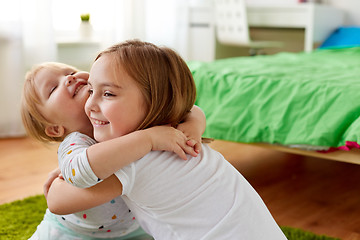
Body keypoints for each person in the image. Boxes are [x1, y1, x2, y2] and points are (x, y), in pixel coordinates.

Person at [46, 40, 288, 240]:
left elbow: (60, 198)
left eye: (108, 93)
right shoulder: (176, 130)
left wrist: (55, 183)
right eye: (90, 90)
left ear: (156, 102)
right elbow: (193, 109)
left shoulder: (135, 158)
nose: (90, 104)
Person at [21, 61, 206, 239]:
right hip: (76, 233)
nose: (70, 79)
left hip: (136, 228)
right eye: (53, 88)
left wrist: (193, 126)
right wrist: (148, 139)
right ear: (55, 129)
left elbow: (190, 109)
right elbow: (77, 170)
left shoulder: (124, 117)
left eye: (70, 72)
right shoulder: (74, 143)